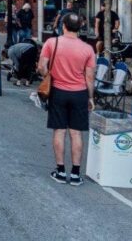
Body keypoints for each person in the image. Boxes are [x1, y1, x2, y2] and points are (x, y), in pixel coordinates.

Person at [38, 13, 95, 186]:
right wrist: (90, 97)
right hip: (79, 93)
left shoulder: (51, 43)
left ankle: (61, 171)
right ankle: (76, 173)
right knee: (76, 133)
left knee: (59, 131)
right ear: (80, 28)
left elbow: (41, 66)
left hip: (58, 91)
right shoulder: (88, 49)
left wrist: (48, 76)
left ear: (63, 26)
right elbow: (90, 77)